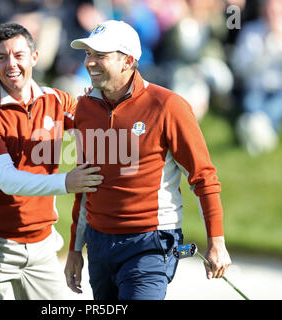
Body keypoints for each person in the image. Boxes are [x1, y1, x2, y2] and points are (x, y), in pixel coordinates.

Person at [64, 20, 231, 300]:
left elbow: (203, 177)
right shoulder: (85, 108)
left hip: (150, 243)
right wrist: (74, 249)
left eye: (100, 56)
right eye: (88, 54)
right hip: (98, 241)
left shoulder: (168, 106)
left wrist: (217, 242)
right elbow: (85, 183)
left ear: (128, 61)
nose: (90, 62)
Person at [0, 22, 103, 300]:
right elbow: (8, 180)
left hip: (43, 247)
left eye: (19, 55)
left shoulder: (58, 100)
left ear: (34, 57)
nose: (11, 64)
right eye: (2, 57)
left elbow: (99, 129)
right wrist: (67, 182)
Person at [230, 0, 282, 156]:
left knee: (274, 111)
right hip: (256, 88)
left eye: (277, 11)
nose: (272, 15)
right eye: (269, 10)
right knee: (252, 107)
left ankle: (252, 132)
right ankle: (262, 136)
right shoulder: (250, 31)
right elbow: (241, 68)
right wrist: (263, 47)